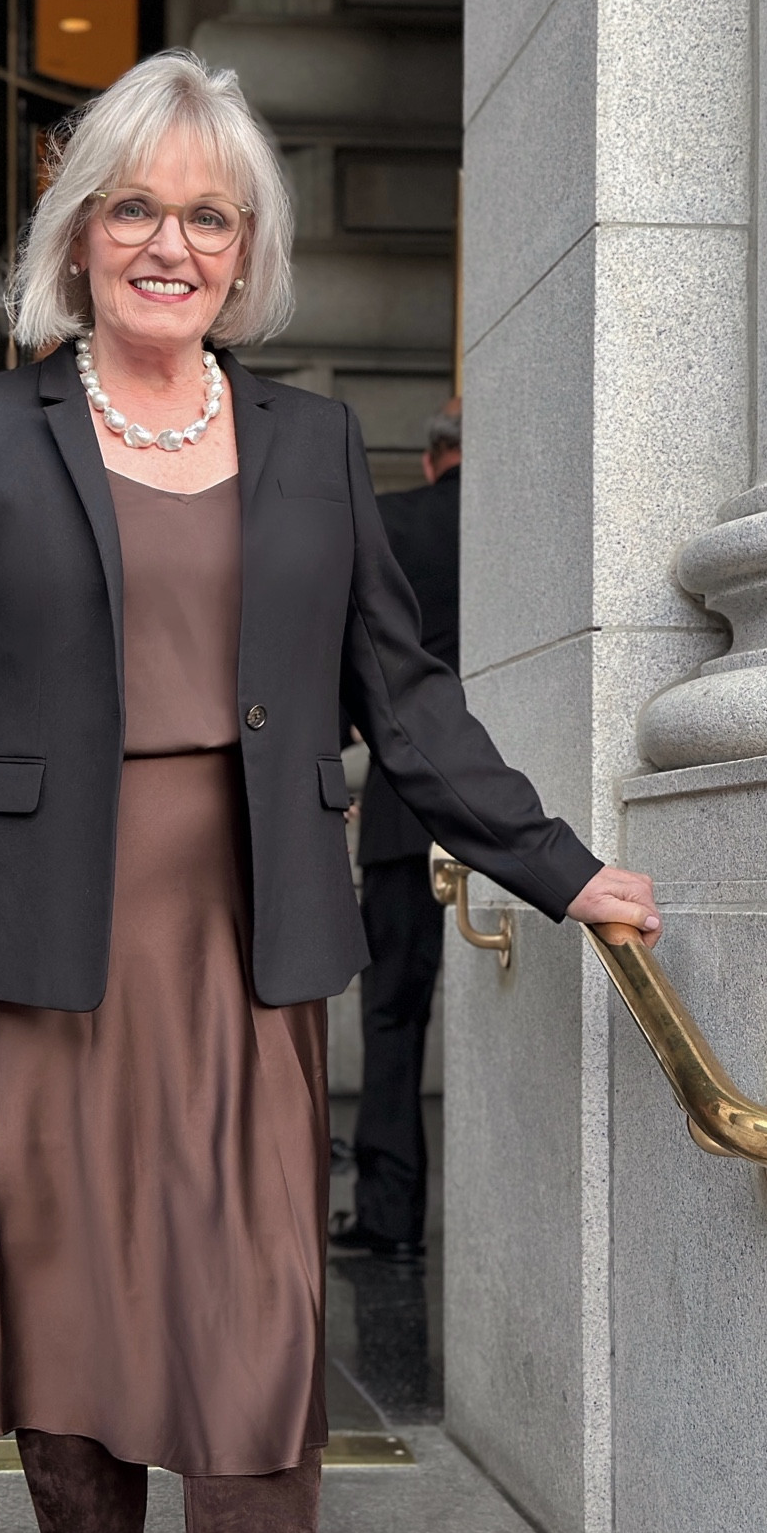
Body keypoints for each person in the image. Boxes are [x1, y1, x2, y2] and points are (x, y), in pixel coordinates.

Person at [0, 50, 660, 1533]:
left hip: (241, 943)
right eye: (135, 206)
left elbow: (400, 689)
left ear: (245, 250)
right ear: (78, 232)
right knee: (62, 1329)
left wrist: (559, 862)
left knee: (251, 1336)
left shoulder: (305, 443)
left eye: (208, 216)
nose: (170, 243)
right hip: (32, 954)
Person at [331, 402, 462, 1262]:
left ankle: (390, 1214)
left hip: (404, 812)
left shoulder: (393, 518)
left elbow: (349, 649)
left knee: (393, 1021)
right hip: (527, 793)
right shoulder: (526, 523)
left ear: (431, 459)